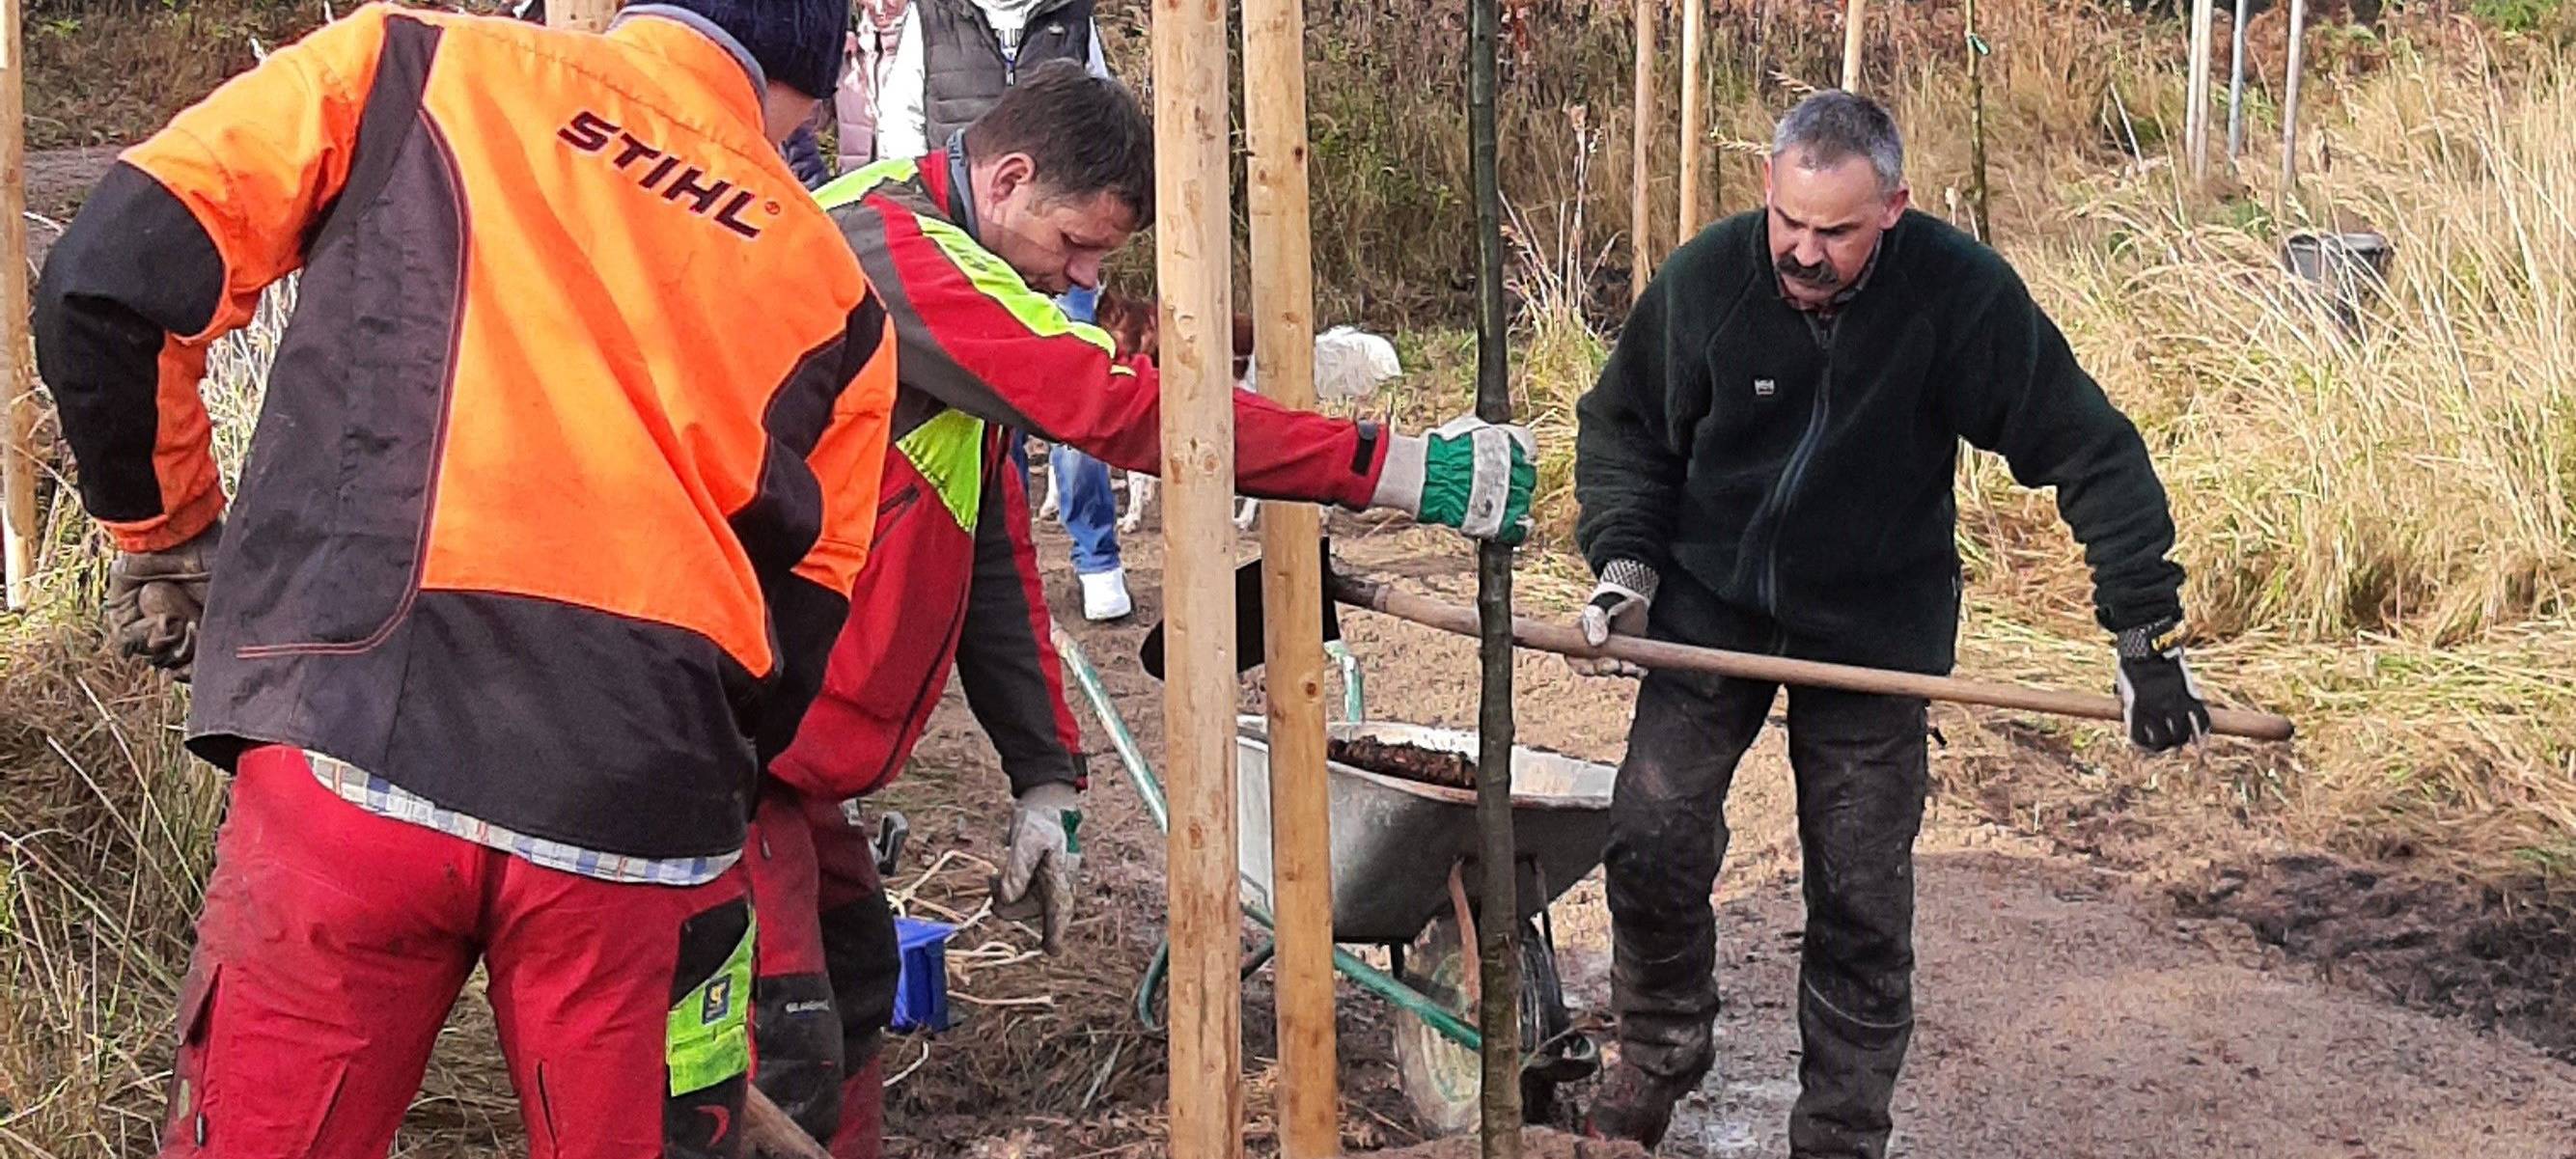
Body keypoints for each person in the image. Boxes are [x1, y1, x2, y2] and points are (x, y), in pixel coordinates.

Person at [31, 4, 897, 1156]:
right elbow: (804, 619)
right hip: (634, 820)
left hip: (352, 744)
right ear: (810, 74)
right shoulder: (838, 293)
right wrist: (694, 785)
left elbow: (106, 283)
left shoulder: (414, 63)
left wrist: (170, 531)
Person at [741, 63, 1537, 1157]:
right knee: (776, 1035)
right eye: (1075, 245)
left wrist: (1044, 774)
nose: (1078, 278)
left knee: (854, 979)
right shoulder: (890, 249)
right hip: (719, 728)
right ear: (1008, 177)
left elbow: (986, 541)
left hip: (792, 751)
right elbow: (1118, 406)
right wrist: (1392, 467)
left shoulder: (956, 259)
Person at [1568, 91, 2209, 1155]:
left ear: (1894, 209)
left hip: (1871, 630)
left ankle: (1839, 1129)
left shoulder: (1956, 301)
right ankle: (1657, 1051)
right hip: (1708, 608)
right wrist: (1626, 564)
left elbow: (2090, 449)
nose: (1804, 255)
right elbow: (1625, 426)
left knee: (1860, 896)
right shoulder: (1710, 280)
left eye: (1835, 232)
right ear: (1766, 192)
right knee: (1650, 833)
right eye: (1789, 223)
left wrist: (2141, 635)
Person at [873, 0, 1134, 619]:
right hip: (961, 237)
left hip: (1052, 227)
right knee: (989, 417)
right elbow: (901, 121)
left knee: (1083, 383)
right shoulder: (933, 17)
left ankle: (1096, 557)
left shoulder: (1070, 19)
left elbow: (1102, 116)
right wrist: (928, 222)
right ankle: (991, 562)